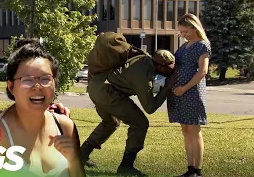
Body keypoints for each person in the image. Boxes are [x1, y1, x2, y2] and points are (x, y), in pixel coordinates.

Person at [80, 32, 176, 176]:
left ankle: (81, 156)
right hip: (107, 92)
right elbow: (150, 107)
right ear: (160, 66)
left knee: (110, 122)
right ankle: (126, 166)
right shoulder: (143, 74)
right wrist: (167, 88)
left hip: (97, 86)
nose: (171, 71)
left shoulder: (144, 59)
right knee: (140, 122)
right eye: (169, 69)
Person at [0, 38, 85, 177]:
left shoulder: (65, 127)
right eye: (27, 80)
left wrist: (73, 160)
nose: (37, 87)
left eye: (45, 79)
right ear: (11, 87)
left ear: (54, 83)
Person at [167, 13, 211, 177]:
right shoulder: (184, 46)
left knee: (194, 130)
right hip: (178, 92)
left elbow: (202, 71)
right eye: (180, 32)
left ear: (194, 27)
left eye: (185, 32)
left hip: (191, 92)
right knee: (185, 130)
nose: (182, 35)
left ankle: (197, 171)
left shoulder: (202, 45)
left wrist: (184, 88)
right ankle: (190, 169)